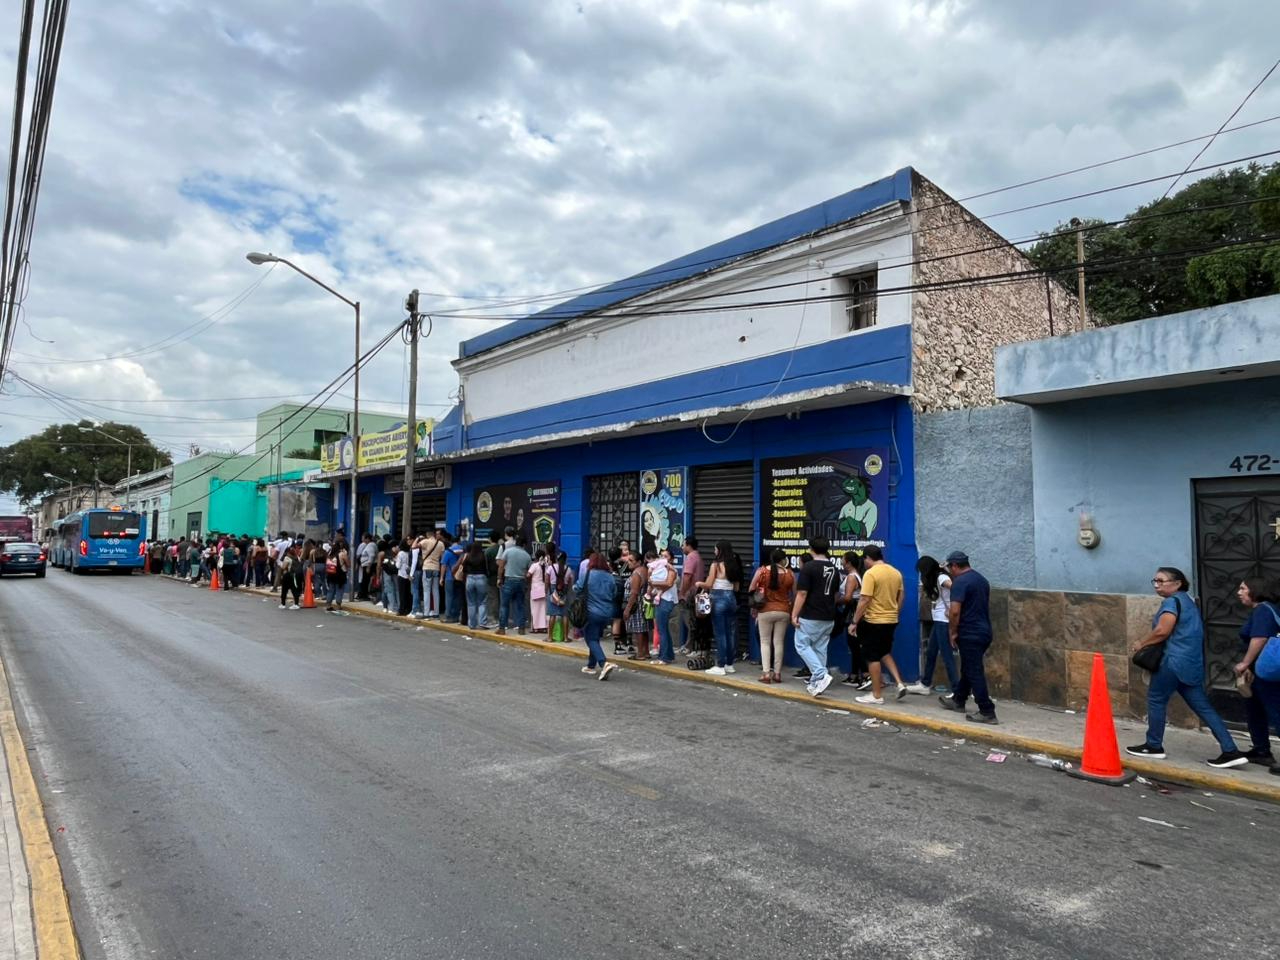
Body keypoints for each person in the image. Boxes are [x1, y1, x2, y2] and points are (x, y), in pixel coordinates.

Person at [1127, 566, 1246, 768]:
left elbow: (1162, 631)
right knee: (1203, 707)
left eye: (1161, 581)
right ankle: (1230, 749)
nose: (1156, 585)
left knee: (1156, 699)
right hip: (1190, 664)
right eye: (1155, 581)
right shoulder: (1188, 602)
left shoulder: (1172, 602)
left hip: (1172, 662)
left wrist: (1142, 643)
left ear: (1177, 583)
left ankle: (1153, 745)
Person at [938, 551, 998, 723]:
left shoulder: (960, 583)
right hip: (984, 631)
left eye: (949, 567)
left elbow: (955, 611)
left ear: (955, 566)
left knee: (974, 670)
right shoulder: (981, 580)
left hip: (969, 632)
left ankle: (987, 710)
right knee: (969, 667)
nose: (949, 571)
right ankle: (959, 699)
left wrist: (952, 632)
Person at [850, 545, 907, 705]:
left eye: (865, 560)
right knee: (884, 652)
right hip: (891, 620)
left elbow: (865, 599)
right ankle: (900, 683)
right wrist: (895, 613)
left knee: (872, 657)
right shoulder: (895, 572)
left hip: (874, 621)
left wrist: (854, 621)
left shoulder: (871, 573)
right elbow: (901, 596)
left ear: (868, 557)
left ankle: (876, 695)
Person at [1233, 577, 1280, 770]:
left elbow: (1259, 638)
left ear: (1255, 590)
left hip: (1267, 669)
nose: (1239, 592)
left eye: (1243, 588)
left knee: (1276, 711)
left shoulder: (1263, 610)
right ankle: (1261, 750)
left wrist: (1245, 663)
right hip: (1260, 668)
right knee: (1255, 709)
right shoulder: (1267, 609)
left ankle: (1262, 749)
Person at [791, 537, 841, 697]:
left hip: (811, 614)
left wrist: (794, 614)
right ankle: (816, 683)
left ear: (811, 548)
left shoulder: (809, 567)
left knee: (802, 645)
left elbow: (802, 593)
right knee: (820, 647)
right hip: (828, 614)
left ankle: (820, 674)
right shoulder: (834, 568)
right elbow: (835, 594)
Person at [912, 555, 958, 695]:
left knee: (946, 655)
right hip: (938, 621)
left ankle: (956, 690)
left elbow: (957, 588)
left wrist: (952, 607)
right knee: (931, 652)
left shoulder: (941, 578)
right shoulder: (938, 577)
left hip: (944, 622)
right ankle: (926, 683)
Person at [696, 540, 742, 676]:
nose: (714, 551)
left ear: (720, 550)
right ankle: (729, 664)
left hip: (718, 598)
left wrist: (699, 583)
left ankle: (720, 665)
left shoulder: (716, 565)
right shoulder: (734, 565)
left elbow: (709, 584)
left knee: (720, 634)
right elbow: (737, 587)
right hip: (731, 598)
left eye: (715, 549)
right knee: (729, 633)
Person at [749, 548, 794, 683]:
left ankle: (766, 673)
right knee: (779, 642)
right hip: (784, 610)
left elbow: (751, 588)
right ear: (783, 560)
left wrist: (754, 605)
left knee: (765, 642)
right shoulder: (789, 574)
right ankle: (778, 673)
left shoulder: (762, 571)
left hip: (765, 610)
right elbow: (795, 593)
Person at [575, 552, 619, 680]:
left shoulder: (588, 574)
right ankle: (591, 665)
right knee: (595, 638)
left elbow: (578, 588)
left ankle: (603, 663)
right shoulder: (610, 577)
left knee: (591, 639)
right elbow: (614, 592)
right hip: (607, 612)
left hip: (591, 611)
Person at [838, 551, 867, 688]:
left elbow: (848, 597)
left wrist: (836, 601)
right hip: (856, 611)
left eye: (843, 559)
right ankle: (855, 675)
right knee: (855, 645)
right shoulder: (858, 575)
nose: (841, 561)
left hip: (852, 612)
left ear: (848, 562)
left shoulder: (851, 577)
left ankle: (865, 674)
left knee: (854, 645)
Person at [496, 534, 532, 636]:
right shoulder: (527, 556)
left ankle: (502, 628)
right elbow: (529, 572)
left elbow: (501, 566)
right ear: (524, 544)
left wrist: (499, 578)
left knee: (504, 605)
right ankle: (521, 628)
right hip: (521, 581)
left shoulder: (508, 551)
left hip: (509, 580)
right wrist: (527, 585)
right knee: (520, 605)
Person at [649, 546, 679, 664]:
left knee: (662, 630)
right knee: (663, 629)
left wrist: (654, 583)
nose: (663, 559)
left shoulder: (671, 570)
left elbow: (668, 584)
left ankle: (664, 657)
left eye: (666, 556)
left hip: (666, 600)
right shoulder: (659, 570)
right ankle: (668, 654)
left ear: (671, 559)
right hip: (661, 599)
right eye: (661, 556)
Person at [678, 537, 704, 656]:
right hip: (696, 592)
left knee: (690, 622)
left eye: (683, 545)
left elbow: (687, 577)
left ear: (689, 545)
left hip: (690, 594)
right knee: (693, 621)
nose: (682, 547)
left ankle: (692, 647)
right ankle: (690, 646)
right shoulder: (697, 556)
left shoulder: (691, 557)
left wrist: (682, 592)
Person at [622, 553, 651, 660]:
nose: (628, 562)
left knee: (638, 629)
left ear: (638, 562)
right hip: (644, 602)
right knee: (644, 628)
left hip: (636, 604)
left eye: (631, 560)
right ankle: (646, 651)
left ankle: (640, 653)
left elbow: (634, 592)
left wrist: (628, 608)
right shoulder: (645, 570)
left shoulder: (636, 573)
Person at [545, 549, 573, 642]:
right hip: (563, 592)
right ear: (565, 559)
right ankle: (565, 637)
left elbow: (547, 581)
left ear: (557, 559)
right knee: (565, 615)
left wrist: (547, 591)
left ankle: (549, 637)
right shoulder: (568, 569)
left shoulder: (551, 568)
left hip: (553, 591)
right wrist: (566, 592)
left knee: (552, 614)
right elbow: (570, 583)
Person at [461, 542, 489, 629]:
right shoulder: (483, 556)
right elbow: (486, 568)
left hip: (470, 578)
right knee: (482, 601)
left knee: (471, 603)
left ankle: (472, 624)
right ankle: (482, 623)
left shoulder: (468, 556)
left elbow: (463, 568)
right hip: (481, 577)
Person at [420, 529, 445, 619]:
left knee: (426, 591)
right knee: (435, 590)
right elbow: (442, 558)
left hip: (427, 568)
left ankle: (426, 612)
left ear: (427, 535)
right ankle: (436, 612)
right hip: (436, 568)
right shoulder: (441, 544)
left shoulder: (425, 541)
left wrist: (419, 538)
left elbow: (414, 546)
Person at [442, 532, 464, 623]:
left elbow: (443, 565)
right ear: (459, 542)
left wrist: (441, 578)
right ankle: (456, 615)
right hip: (460, 577)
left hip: (449, 577)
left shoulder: (447, 551)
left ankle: (448, 616)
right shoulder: (463, 550)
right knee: (458, 597)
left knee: (449, 597)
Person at [325, 538, 350, 611]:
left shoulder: (330, 553)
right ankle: (338, 605)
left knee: (331, 589)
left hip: (331, 574)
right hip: (340, 574)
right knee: (339, 589)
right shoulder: (342, 554)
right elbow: (348, 564)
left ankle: (328, 605)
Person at [528, 549, 548, 633]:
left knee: (534, 609)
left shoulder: (534, 565)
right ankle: (544, 627)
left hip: (535, 589)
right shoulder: (546, 565)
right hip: (543, 588)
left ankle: (535, 628)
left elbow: (528, 575)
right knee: (543, 609)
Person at [394, 538, 413, 616]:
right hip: (408, 574)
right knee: (408, 593)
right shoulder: (409, 552)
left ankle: (401, 610)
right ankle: (408, 609)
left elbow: (398, 566)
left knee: (402, 594)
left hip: (401, 574)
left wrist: (395, 560)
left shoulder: (401, 553)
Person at [278, 545, 301, 609]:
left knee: (284, 590)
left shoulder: (287, 558)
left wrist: (281, 565)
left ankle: (283, 604)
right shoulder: (297, 557)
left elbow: (284, 567)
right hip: (295, 575)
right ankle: (296, 604)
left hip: (287, 575)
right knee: (294, 589)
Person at [357, 533, 377, 600]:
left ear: (367, 538)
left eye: (363, 538)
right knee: (365, 580)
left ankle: (364, 595)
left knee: (365, 581)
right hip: (366, 565)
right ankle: (363, 595)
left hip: (368, 565)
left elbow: (372, 556)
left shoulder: (371, 545)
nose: (362, 539)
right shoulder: (368, 545)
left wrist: (368, 566)